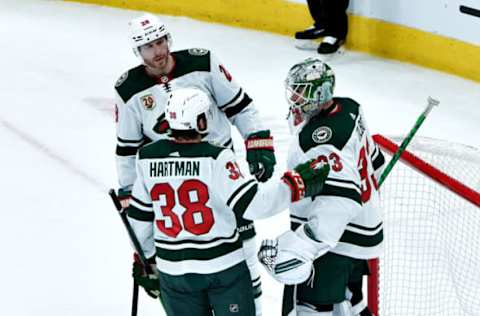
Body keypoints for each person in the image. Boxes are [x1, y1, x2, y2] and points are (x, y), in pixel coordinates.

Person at [114, 13, 276, 314]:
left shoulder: (203, 63)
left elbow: (241, 106)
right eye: (148, 46)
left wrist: (257, 142)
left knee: (245, 251)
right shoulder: (128, 90)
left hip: (223, 172)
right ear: (137, 52)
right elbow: (126, 150)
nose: (157, 51)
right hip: (174, 180)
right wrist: (131, 197)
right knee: (185, 266)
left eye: (160, 42)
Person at [126, 87, 330, 316]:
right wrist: (295, 184)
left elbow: (139, 218)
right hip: (222, 270)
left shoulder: (146, 157)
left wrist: (147, 260)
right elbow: (255, 204)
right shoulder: (216, 157)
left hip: (174, 272)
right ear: (200, 121)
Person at [257, 57, 386, 315]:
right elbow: (377, 162)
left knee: (309, 308)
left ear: (320, 92)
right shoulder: (351, 108)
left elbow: (341, 202)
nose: (294, 97)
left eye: (301, 91)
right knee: (350, 299)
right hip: (362, 230)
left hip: (335, 243)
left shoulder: (321, 139)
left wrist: (304, 245)